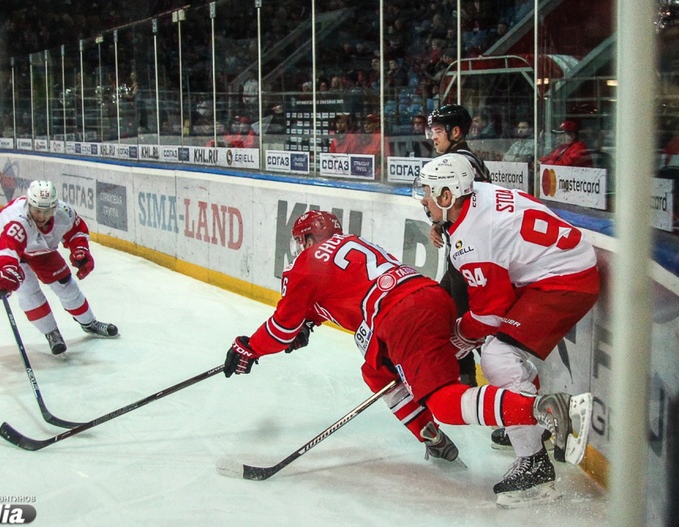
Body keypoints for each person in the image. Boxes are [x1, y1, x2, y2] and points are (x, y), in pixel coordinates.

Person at [223, 209, 592, 508]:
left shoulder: (306, 263)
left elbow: (280, 329)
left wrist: (247, 348)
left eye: (301, 241)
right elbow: (329, 300)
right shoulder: (353, 244)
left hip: (401, 317)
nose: (300, 247)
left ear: (306, 239)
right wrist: (307, 324)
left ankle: (544, 408)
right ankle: (430, 436)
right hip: (428, 298)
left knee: (444, 402)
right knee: (375, 370)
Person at [415, 154, 599, 506]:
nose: (423, 199)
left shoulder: (475, 240)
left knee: (497, 354)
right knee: (498, 350)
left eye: (427, 192)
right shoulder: (476, 194)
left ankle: (535, 465)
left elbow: (490, 314)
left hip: (566, 281)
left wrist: (458, 337)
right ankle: (531, 425)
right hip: (561, 266)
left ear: (447, 195)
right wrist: (443, 222)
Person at [0, 181, 119, 354]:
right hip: (2, 249)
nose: (41, 216)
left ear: (55, 208)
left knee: (66, 285)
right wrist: (6, 272)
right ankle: (51, 333)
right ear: (28, 205)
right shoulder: (17, 222)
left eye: (47, 211)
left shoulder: (64, 213)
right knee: (28, 291)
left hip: (38, 249)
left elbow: (77, 230)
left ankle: (89, 323)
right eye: (37, 210)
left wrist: (80, 249)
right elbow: (6, 250)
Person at [424, 104, 490, 386]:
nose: (433, 136)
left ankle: (475, 380)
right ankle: (464, 376)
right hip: (462, 255)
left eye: (438, 130)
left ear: (456, 132)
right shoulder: (462, 160)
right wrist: (439, 223)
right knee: (446, 313)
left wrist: (441, 221)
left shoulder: (459, 163)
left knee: (459, 320)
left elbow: (468, 207)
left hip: (469, 257)